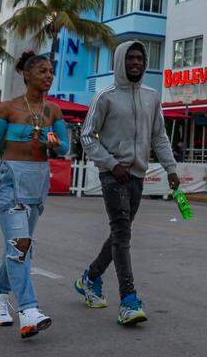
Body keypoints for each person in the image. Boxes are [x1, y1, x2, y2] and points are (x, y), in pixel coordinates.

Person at [0, 51, 68, 339]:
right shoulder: (8, 109)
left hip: (37, 182)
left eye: (50, 71)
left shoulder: (53, 111)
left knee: (19, 247)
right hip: (11, 181)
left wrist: (48, 139)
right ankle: (29, 310)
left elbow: (65, 148)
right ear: (27, 75)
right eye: (42, 71)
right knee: (20, 245)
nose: (48, 75)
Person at [76, 41, 180, 327]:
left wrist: (170, 168)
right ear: (121, 61)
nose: (136, 62)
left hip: (137, 175)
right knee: (122, 233)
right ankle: (128, 300)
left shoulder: (152, 96)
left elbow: (159, 136)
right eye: (130, 58)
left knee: (119, 234)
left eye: (140, 58)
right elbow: (87, 136)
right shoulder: (104, 97)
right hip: (113, 175)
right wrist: (111, 164)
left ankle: (91, 277)